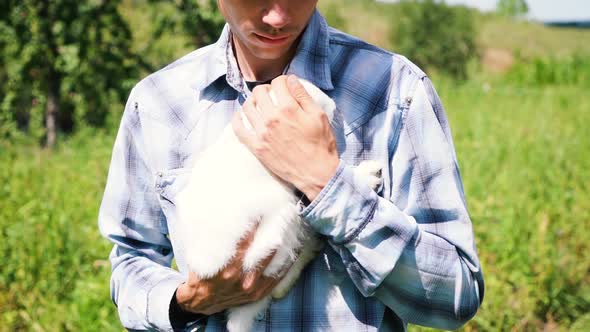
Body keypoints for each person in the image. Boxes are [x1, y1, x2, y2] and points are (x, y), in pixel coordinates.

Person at [98, 0, 485, 331]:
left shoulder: (395, 92)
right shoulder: (157, 103)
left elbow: (457, 295)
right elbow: (130, 261)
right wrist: (187, 301)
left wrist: (326, 185)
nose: (279, 17)